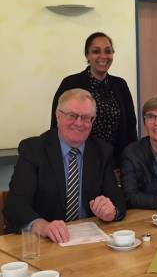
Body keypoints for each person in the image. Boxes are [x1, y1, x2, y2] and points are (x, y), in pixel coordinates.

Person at [5, 89, 126, 243]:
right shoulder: (34, 149)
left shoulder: (102, 151)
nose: (79, 123)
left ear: (93, 120)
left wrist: (112, 211)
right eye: (72, 116)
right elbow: (15, 205)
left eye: (86, 118)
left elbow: (118, 199)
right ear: (58, 116)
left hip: (87, 243)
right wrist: (42, 226)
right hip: (44, 244)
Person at [50, 32, 138, 167]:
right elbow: (57, 125)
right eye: (96, 51)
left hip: (115, 164)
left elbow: (130, 127)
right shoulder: (70, 83)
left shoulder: (120, 85)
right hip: (79, 163)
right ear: (87, 55)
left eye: (108, 51)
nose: (103, 56)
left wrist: (131, 163)